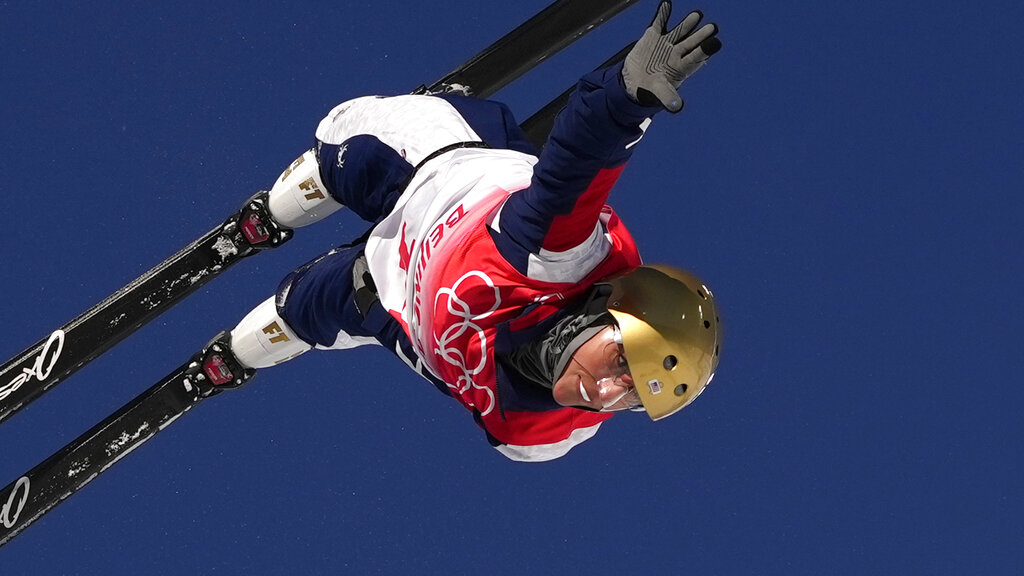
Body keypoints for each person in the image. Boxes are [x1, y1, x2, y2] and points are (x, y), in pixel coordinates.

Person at [225, 2, 723, 461]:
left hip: (389, 293)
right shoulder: (560, 255)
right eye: (621, 361)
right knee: (343, 136)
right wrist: (626, 100)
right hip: (432, 169)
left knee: (302, 309)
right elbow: (578, 164)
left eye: (632, 398)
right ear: (606, 310)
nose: (606, 393)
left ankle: (234, 356)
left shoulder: (541, 436)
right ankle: (276, 211)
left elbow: (464, 385)